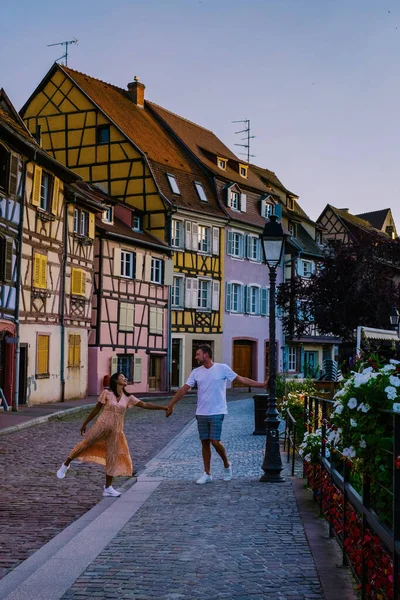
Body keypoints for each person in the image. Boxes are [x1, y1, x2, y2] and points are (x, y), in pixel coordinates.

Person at [166, 344, 268, 484]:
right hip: (201, 412)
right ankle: (207, 473)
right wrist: (171, 404)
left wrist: (261, 385)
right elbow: (184, 389)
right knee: (205, 442)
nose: (196, 357)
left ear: (206, 355)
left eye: (198, 354)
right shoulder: (196, 372)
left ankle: (227, 464)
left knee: (215, 441)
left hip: (217, 411)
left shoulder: (222, 368)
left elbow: (241, 379)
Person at [56, 372, 169, 497]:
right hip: (101, 425)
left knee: (112, 457)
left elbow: (145, 405)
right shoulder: (107, 393)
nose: (125, 378)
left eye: (125, 377)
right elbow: (96, 409)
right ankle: (66, 464)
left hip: (116, 431)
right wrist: (85, 423)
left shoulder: (128, 398)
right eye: (122, 377)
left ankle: (108, 488)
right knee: (86, 444)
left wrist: (163, 408)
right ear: (116, 380)